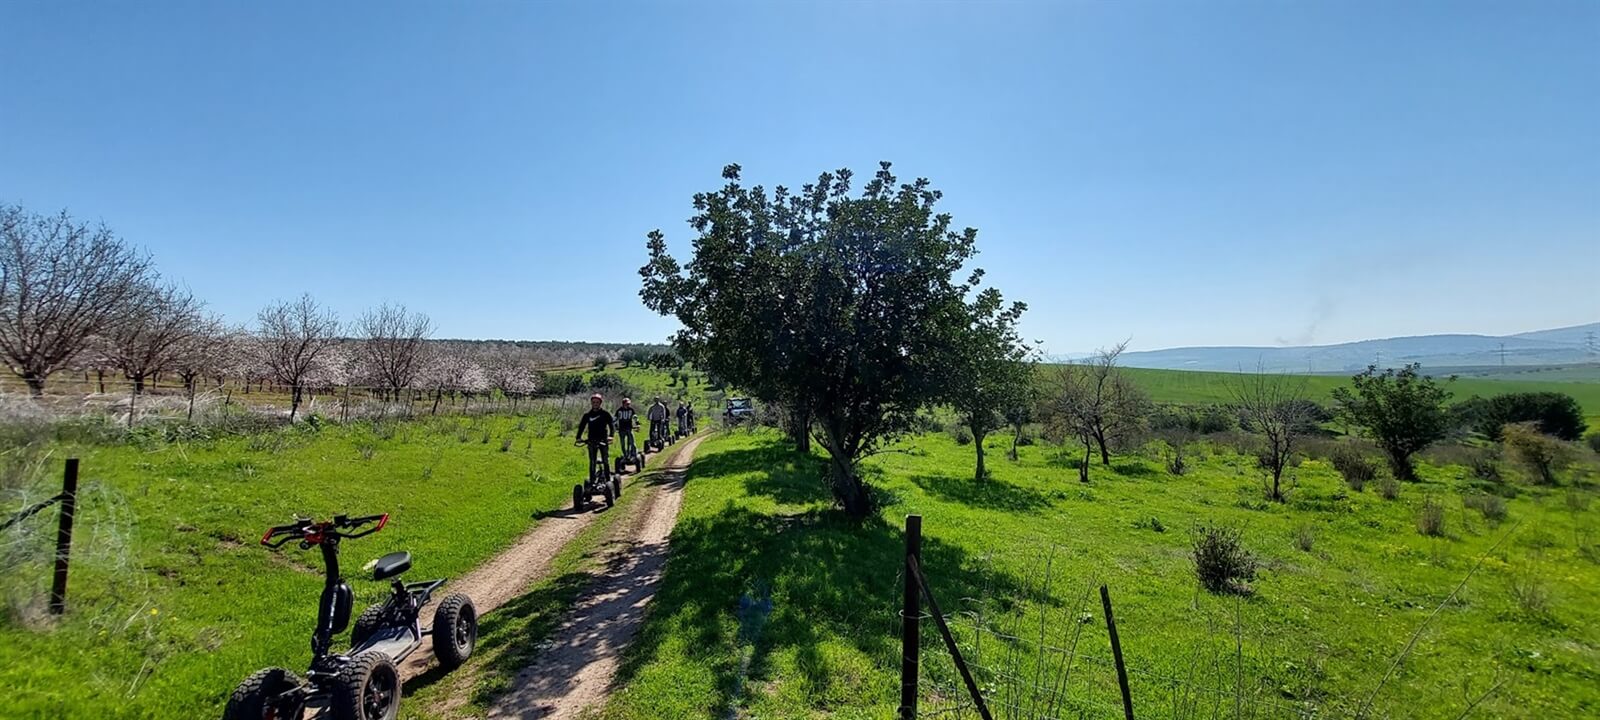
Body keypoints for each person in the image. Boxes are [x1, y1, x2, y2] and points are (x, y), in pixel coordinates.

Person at [575, 393, 613, 477]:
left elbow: (611, 425)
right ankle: (592, 480)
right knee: (592, 461)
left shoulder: (605, 414)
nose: (595, 404)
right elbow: (581, 427)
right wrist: (578, 437)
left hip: (603, 440)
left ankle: (608, 478)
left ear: (600, 403)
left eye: (597, 402)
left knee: (605, 460)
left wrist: (611, 436)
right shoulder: (587, 415)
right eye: (593, 402)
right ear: (591, 403)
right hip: (591, 440)